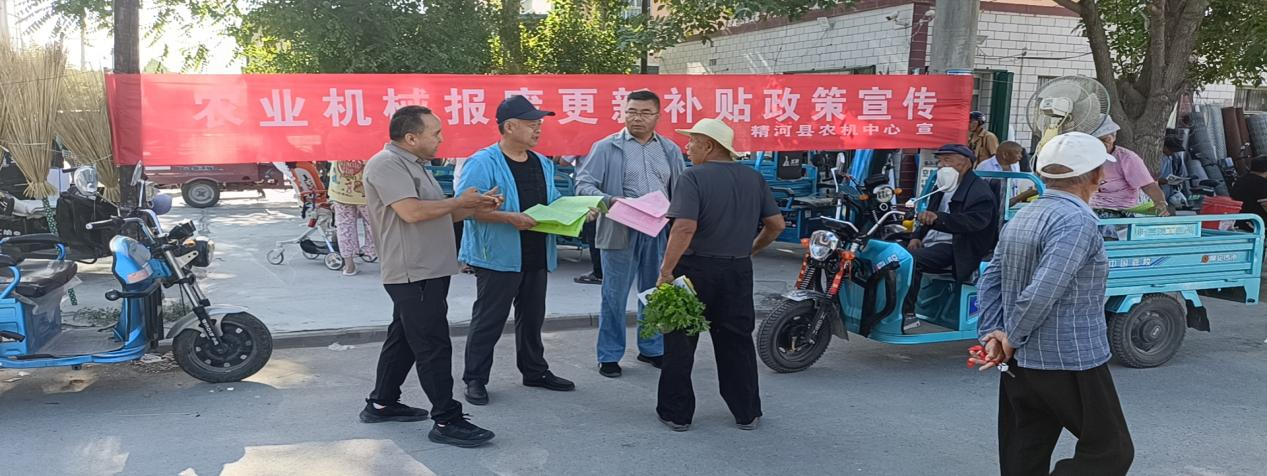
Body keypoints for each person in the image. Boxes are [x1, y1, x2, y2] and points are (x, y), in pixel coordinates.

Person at [974, 132, 1134, 475]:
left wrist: (994, 334)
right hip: (1069, 357)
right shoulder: (1078, 221)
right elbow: (1043, 290)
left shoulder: (1024, 215)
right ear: (1096, 175)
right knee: (1110, 451)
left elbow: (990, 278)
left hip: (1020, 362)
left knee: (1024, 453)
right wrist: (1009, 338)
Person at [360, 105, 501, 448]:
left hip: (429, 268)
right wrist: (458, 202)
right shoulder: (386, 164)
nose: (441, 138)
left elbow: (436, 215)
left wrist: (472, 207)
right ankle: (446, 419)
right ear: (411, 137)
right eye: (434, 133)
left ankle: (382, 402)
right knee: (432, 344)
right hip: (413, 270)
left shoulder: (415, 165)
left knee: (405, 338)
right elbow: (411, 212)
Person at [655, 118, 784, 432]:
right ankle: (747, 412)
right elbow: (776, 225)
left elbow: (684, 228)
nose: (688, 147)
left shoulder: (692, 177)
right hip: (737, 270)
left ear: (709, 145)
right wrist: (751, 249)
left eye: (692, 142)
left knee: (680, 342)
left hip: (693, 270)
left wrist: (666, 271)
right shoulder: (753, 178)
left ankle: (676, 413)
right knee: (737, 343)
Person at [457, 95, 576, 406]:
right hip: (498, 255)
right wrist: (508, 217)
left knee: (532, 317)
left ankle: (534, 371)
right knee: (489, 319)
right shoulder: (482, 162)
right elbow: (464, 209)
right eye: (531, 124)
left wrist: (577, 212)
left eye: (539, 124)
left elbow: (553, 202)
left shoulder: (542, 162)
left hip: (536, 251)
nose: (538, 129)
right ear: (509, 127)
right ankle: (475, 378)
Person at [575, 89, 687, 378]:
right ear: (623, 113)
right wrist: (610, 200)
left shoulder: (670, 149)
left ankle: (651, 348)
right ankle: (609, 355)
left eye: (645, 113)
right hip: (619, 227)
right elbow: (583, 184)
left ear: (657, 116)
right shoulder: (606, 147)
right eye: (632, 112)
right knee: (614, 294)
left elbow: (680, 189)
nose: (637, 118)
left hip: (658, 229)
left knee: (653, 291)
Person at [903, 144, 999, 321]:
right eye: (940, 161)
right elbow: (927, 214)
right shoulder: (941, 186)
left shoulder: (980, 192)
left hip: (957, 247)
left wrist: (939, 218)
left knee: (909, 260)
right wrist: (916, 236)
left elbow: (973, 222)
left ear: (966, 162)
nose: (942, 165)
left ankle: (907, 314)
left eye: (947, 160)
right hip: (931, 240)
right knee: (890, 252)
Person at [1087, 115, 1171, 217]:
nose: (1102, 144)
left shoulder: (1127, 158)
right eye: (1097, 140)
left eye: (1105, 140)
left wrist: (1160, 203)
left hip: (1120, 210)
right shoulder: (1085, 156)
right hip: (1090, 208)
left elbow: (1148, 185)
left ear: (1113, 138)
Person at [328, 160, 377, 276]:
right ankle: (372, 253)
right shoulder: (367, 149)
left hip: (340, 191)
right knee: (374, 224)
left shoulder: (336, 148)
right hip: (367, 192)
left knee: (344, 227)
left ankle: (349, 266)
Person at [977, 141, 1037, 206]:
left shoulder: (1015, 164)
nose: (1021, 156)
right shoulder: (985, 167)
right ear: (1005, 155)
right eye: (1017, 153)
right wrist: (1025, 194)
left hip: (1011, 205)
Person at [1230, 155, 1267, 232]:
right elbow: (1265, 205)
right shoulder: (1261, 183)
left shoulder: (1240, 180)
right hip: (1255, 224)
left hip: (1239, 221)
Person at [1158, 137, 1192, 204]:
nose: (1173, 153)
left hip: (1170, 193)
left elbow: (1180, 173)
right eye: (1171, 150)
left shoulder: (1176, 158)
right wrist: (1159, 181)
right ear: (1164, 147)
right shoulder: (1155, 159)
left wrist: (1179, 181)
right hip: (1157, 191)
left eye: (1175, 151)